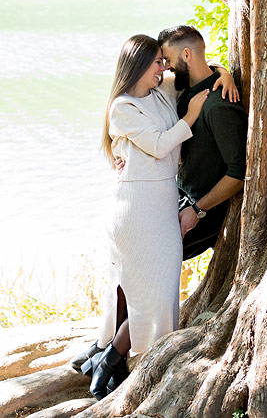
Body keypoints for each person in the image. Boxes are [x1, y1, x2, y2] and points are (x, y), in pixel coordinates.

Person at [81, 34, 210, 399]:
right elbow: (156, 144)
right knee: (147, 292)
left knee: (162, 288)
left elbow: (203, 70)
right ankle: (111, 358)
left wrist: (226, 77)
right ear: (138, 66)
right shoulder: (122, 107)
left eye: (163, 61)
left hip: (163, 200)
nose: (164, 67)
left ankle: (111, 358)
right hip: (135, 208)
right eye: (157, 62)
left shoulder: (160, 92)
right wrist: (191, 117)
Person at [158, 25, 247, 259]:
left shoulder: (219, 106)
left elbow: (238, 174)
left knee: (151, 257)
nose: (166, 67)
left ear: (186, 54)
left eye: (168, 59)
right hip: (179, 196)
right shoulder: (185, 91)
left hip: (203, 211)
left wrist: (197, 210)